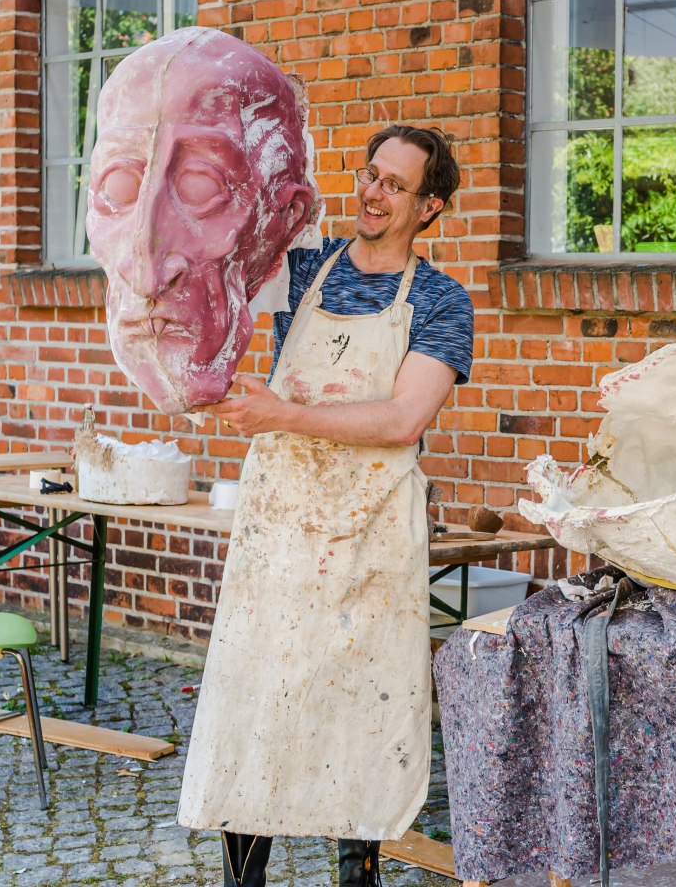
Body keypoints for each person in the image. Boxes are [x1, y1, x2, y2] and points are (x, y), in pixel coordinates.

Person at [178, 124, 476, 887]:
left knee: (360, 708)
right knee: (257, 700)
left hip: (372, 535)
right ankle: (243, 880)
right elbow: (205, 265)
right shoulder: (302, 266)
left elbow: (402, 419)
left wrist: (285, 415)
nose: (372, 194)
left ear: (431, 206)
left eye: (395, 186)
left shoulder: (443, 301)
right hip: (281, 526)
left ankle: (358, 873)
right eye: (370, 175)